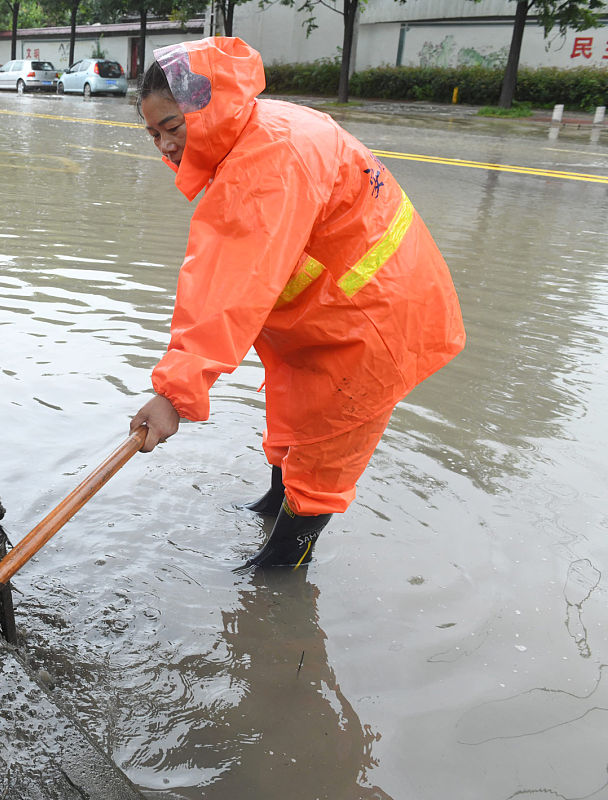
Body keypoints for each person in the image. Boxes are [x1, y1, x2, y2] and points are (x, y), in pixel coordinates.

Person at [128, 37, 465, 568]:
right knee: (294, 419)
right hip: (328, 310)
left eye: (172, 128)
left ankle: (281, 571)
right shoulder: (257, 129)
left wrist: (175, 393)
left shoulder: (268, 162)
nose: (165, 146)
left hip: (371, 321)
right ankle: (272, 507)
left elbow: (228, 284)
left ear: (211, 110)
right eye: (153, 135)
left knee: (325, 450)